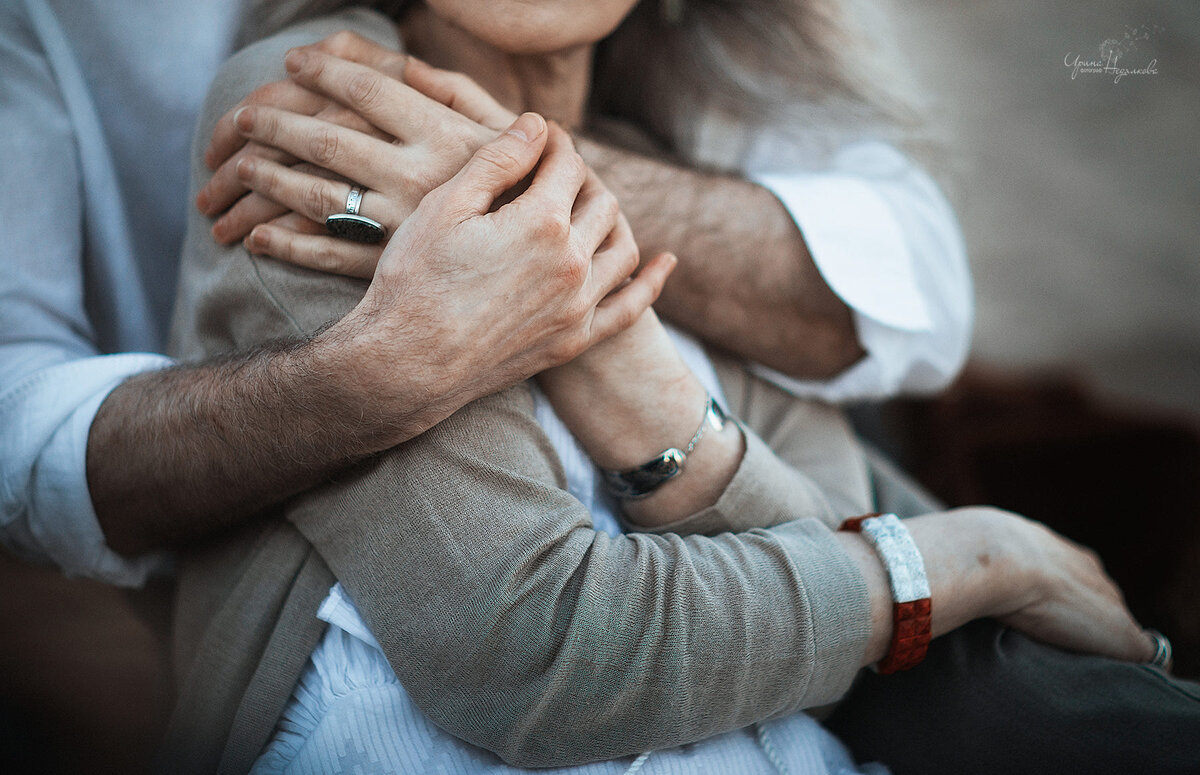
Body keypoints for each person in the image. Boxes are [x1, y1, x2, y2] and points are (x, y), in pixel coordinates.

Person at [162, 3, 1199, 775]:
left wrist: (616, 351)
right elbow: (535, 659)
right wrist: (979, 556)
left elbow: (821, 573)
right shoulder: (332, 110)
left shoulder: (687, 170)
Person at [1, 0, 902, 585]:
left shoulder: (717, 110)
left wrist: (518, 180)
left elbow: (906, 273)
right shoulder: (321, 103)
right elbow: (530, 646)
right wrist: (902, 585)